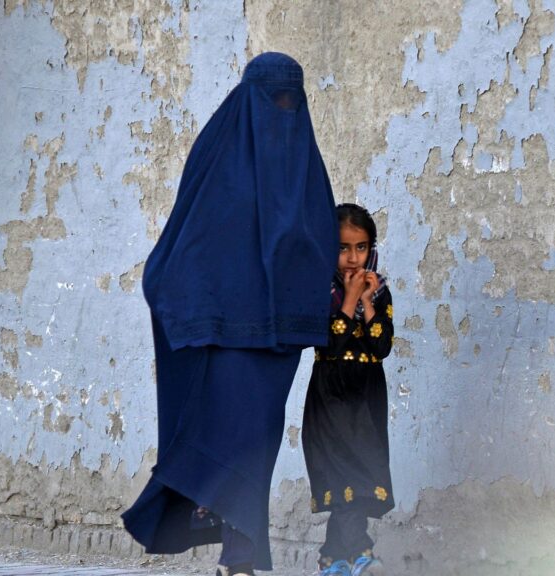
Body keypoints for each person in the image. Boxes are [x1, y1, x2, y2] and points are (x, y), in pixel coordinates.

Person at [121, 52, 339, 576]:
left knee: (256, 447)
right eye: (274, 101)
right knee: (225, 443)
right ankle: (236, 557)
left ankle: (238, 558)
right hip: (222, 335)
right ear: (250, 99)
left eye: (292, 101)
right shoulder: (218, 152)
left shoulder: (305, 166)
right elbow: (187, 238)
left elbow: (318, 240)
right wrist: (190, 304)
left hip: (277, 341)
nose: (283, 112)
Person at [304, 203, 394, 576]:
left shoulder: (380, 290)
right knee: (347, 480)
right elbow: (329, 345)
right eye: (342, 248)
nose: (352, 258)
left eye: (360, 247)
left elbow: (381, 346)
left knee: (360, 479)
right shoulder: (320, 291)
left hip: (366, 399)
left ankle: (332, 560)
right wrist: (350, 299)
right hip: (331, 399)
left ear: (371, 247)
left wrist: (368, 303)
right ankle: (361, 553)